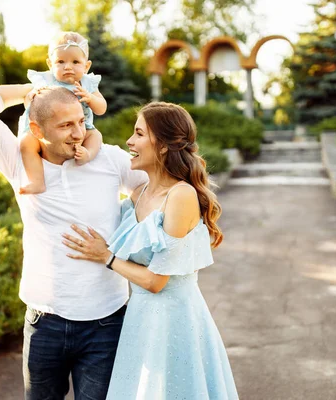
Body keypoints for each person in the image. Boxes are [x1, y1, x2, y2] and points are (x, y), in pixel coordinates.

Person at [0, 84, 147, 400]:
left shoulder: (108, 158)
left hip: (106, 321)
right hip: (44, 321)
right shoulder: (19, 162)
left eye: (80, 121)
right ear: (36, 129)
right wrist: (29, 91)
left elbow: (151, 192)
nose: (78, 133)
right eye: (65, 125)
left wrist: (126, 242)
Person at [63, 102, 239, 399]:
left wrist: (105, 255)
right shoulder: (139, 194)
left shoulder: (181, 195)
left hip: (175, 322)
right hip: (140, 320)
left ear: (162, 146)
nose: (130, 142)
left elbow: (156, 282)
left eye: (139, 134)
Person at [18, 31, 106, 195]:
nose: (68, 66)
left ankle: (87, 154)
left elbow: (101, 108)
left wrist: (90, 98)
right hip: (47, 131)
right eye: (60, 61)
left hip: (83, 127)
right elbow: (30, 104)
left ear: (86, 66)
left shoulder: (88, 84)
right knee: (26, 144)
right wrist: (30, 98)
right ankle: (37, 181)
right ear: (50, 65)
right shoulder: (44, 82)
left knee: (96, 136)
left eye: (75, 62)